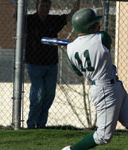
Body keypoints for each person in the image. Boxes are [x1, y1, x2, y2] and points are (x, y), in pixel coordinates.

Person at [62, 8, 128, 150]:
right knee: (103, 136)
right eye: (95, 23)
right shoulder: (102, 38)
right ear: (88, 27)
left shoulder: (71, 49)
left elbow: (79, 72)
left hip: (113, 86)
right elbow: (101, 40)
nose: (99, 24)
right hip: (105, 89)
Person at [25, 0, 80, 129]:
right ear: (37, 6)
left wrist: (77, 2)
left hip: (51, 64)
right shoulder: (29, 20)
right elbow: (16, 16)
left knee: (49, 94)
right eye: (42, 6)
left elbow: (71, 15)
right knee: (38, 95)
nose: (44, 9)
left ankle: (41, 125)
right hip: (34, 64)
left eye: (47, 6)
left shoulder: (53, 20)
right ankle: (31, 124)